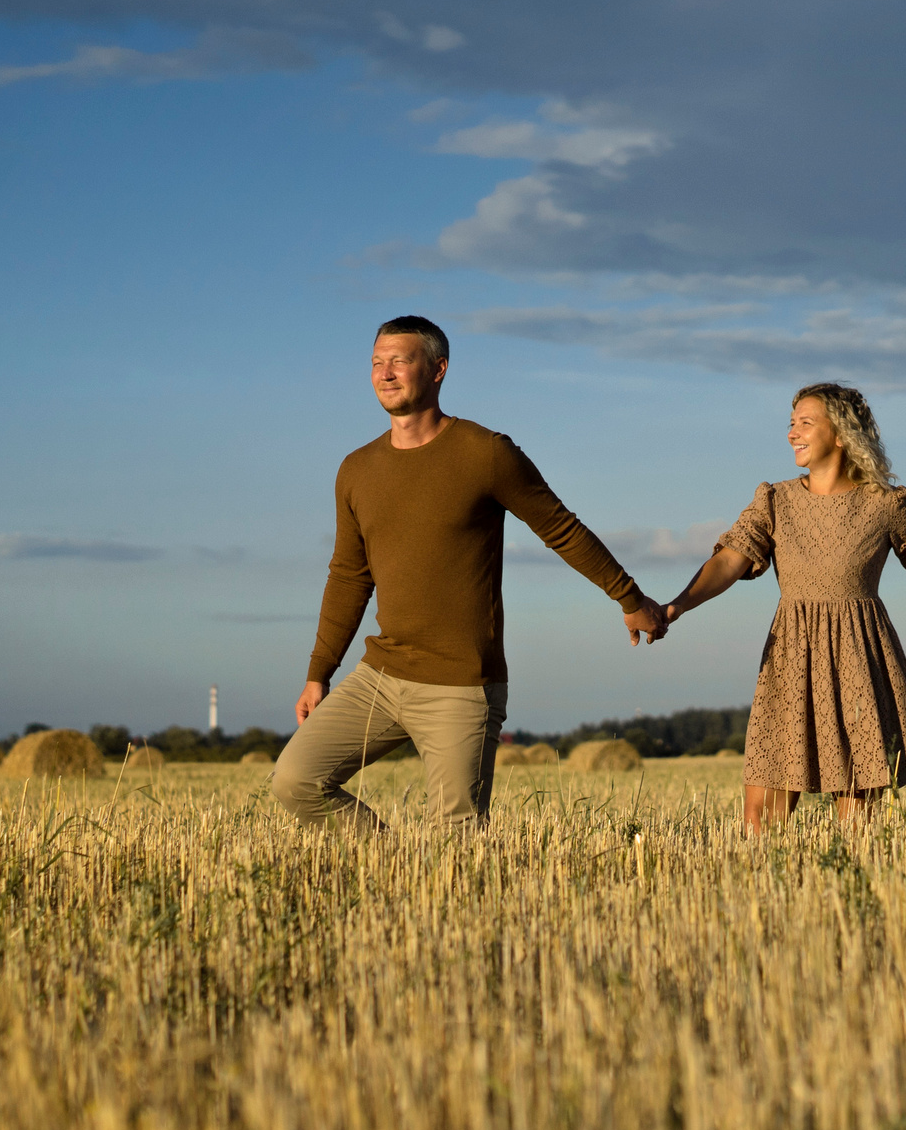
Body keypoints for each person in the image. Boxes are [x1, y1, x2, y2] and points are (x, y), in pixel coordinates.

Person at [272, 315, 667, 831]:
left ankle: (433, 876)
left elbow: (561, 529)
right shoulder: (356, 469)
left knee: (455, 844)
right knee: (295, 781)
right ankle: (390, 866)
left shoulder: (486, 452)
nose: (385, 373)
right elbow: (349, 575)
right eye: (376, 362)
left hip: (460, 685)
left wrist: (630, 598)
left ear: (438, 369)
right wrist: (319, 672)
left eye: (399, 361)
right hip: (381, 675)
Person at [661, 381, 906, 833]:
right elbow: (730, 560)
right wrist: (677, 606)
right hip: (790, 659)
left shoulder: (884, 503)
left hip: (860, 660)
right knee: (760, 821)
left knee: (856, 827)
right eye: (791, 423)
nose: (792, 433)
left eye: (806, 423)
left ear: (843, 434)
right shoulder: (774, 501)